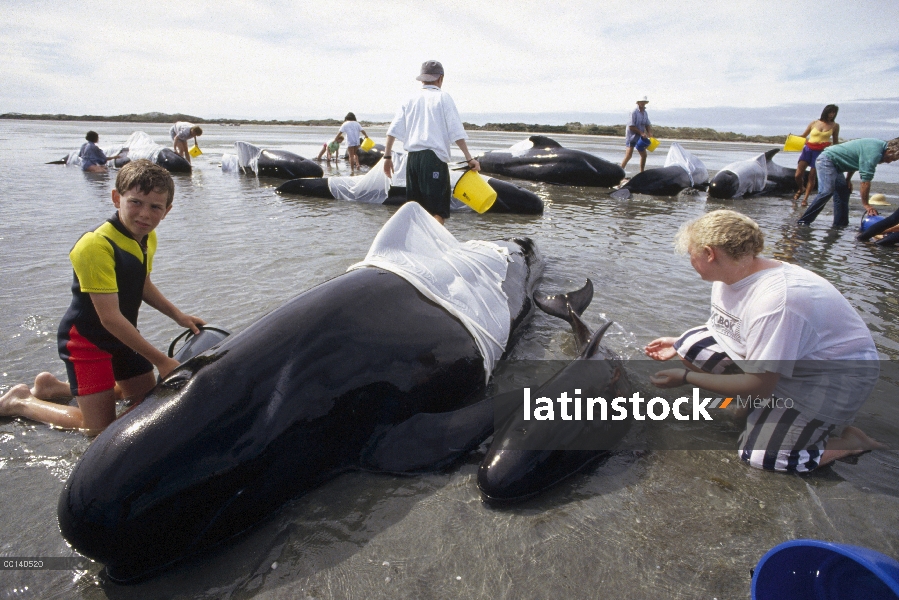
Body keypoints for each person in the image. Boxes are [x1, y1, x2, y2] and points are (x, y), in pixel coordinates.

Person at [646, 209, 883, 472]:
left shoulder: (777, 300)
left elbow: (758, 384)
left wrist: (685, 377)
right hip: (790, 360)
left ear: (710, 253)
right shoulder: (731, 275)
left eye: (691, 253)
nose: (689, 259)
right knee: (691, 346)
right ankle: (757, 410)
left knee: (764, 457)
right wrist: (678, 341)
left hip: (833, 376)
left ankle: (849, 441)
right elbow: (730, 328)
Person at [0, 160, 205, 435]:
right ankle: (21, 401)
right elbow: (109, 318)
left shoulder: (147, 237)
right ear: (116, 198)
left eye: (155, 207)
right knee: (99, 429)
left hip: (123, 337)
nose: (144, 214)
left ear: (167, 211)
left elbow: (142, 284)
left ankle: (54, 387)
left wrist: (178, 315)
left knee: (146, 400)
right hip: (87, 342)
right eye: (135, 202)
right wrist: (160, 360)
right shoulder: (95, 246)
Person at [383, 60, 480, 225]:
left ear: (422, 79)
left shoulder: (410, 99)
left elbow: (393, 130)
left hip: (412, 160)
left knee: (415, 210)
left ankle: (417, 247)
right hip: (433, 159)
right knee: (438, 211)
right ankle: (435, 248)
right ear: (440, 78)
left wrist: (387, 157)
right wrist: (469, 158)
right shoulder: (443, 97)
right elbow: (456, 131)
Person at [797, 137, 899, 227]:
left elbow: (855, 161)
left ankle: (840, 224)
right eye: (892, 159)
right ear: (889, 151)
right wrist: (866, 204)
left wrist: (848, 179)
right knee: (826, 191)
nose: (890, 161)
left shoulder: (879, 146)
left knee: (843, 191)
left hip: (836, 165)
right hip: (827, 160)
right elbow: (865, 181)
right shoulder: (874, 153)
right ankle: (804, 221)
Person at [793, 105, 840, 206]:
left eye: (834, 112)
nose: (832, 114)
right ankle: (801, 188)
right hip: (808, 149)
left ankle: (805, 199)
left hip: (821, 152)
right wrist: (791, 138)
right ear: (825, 112)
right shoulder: (814, 123)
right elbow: (803, 136)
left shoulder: (835, 126)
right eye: (830, 112)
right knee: (798, 175)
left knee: (812, 176)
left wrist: (837, 154)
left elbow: (835, 142)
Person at [620, 96, 653, 173]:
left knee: (644, 155)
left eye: (644, 102)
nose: (643, 103)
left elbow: (647, 124)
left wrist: (649, 132)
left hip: (640, 138)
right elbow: (631, 126)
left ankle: (642, 172)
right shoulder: (633, 112)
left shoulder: (645, 113)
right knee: (628, 155)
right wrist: (641, 133)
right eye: (641, 101)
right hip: (631, 136)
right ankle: (619, 172)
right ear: (638, 102)